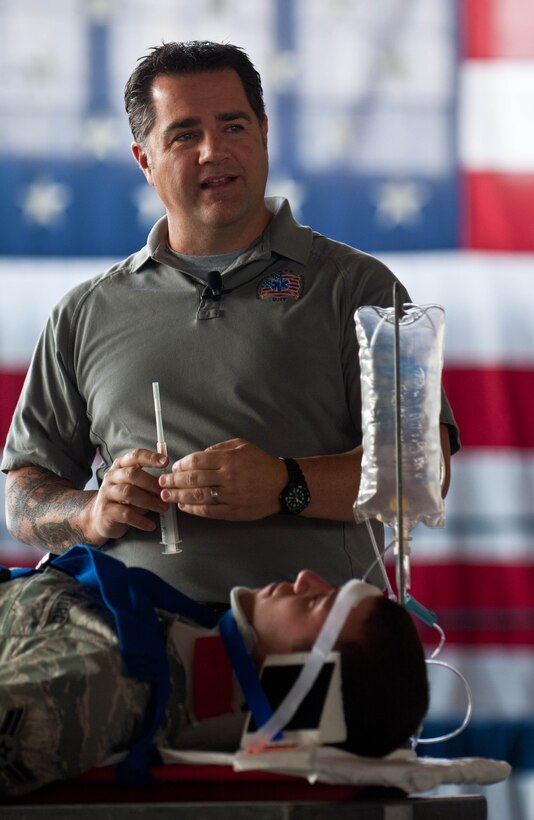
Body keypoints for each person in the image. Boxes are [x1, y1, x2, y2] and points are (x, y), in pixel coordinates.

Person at [1, 41, 459, 603]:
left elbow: (422, 474)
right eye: (184, 134)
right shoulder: (84, 312)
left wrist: (288, 485)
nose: (214, 151)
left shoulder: (364, 287)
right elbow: (22, 496)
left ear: (265, 132)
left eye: (234, 126)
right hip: (133, 661)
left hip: (308, 657)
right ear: (144, 160)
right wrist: (93, 511)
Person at [0, 549, 429, 797]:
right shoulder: (166, 644)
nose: (305, 578)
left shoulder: (99, 689)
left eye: (320, 603)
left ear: (309, 686)